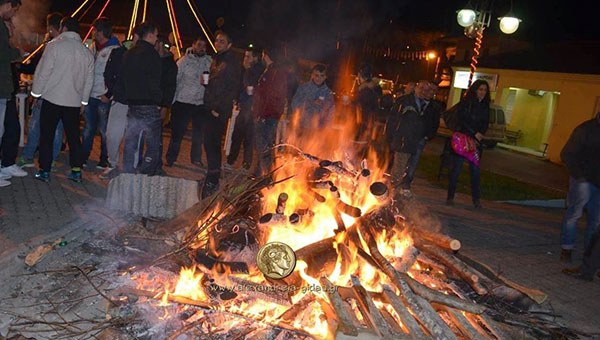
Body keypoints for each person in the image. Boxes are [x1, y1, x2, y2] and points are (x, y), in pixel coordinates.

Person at [31, 17, 95, 183]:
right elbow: (89, 81)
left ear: (63, 27)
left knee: (47, 136)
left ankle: (44, 170)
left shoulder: (54, 46)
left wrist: (36, 94)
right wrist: (84, 102)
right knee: (73, 137)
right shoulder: (86, 52)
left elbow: (43, 72)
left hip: (52, 98)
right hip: (73, 102)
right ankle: (76, 170)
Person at [17, 12, 64, 169]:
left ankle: (31, 156)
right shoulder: (58, 44)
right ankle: (48, 158)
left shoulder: (51, 46)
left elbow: (39, 70)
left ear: (50, 27)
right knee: (53, 127)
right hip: (60, 93)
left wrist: (36, 94)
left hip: (47, 93)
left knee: (38, 125)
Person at [201, 32, 242, 197]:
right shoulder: (217, 59)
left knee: (213, 143)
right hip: (211, 106)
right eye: (217, 40)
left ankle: (213, 178)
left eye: (222, 41)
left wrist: (218, 108)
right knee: (208, 142)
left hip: (218, 109)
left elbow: (231, 88)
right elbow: (216, 83)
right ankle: (212, 173)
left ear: (229, 44)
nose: (218, 43)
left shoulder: (231, 62)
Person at [121, 22, 162, 175]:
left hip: (132, 103)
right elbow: (155, 81)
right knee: (152, 143)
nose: (157, 39)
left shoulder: (129, 53)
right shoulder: (152, 54)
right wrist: (158, 100)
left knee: (131, 139)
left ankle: (127, 172)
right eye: (156, 36)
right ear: (150, 35)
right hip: (148, 103)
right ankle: (146, 174)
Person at [559, 111, 600, 263]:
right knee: (574, 215)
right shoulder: (585, 129)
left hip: (598, 184)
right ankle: (567, 248)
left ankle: (589, 257)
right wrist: (579, 176)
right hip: (582, 181)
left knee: (595, 222)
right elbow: (567, 154)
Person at [165, 36, 211, 167]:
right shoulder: (184, 61)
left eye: (204, 46)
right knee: (177, 133)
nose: (201, 48)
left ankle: (196, 158)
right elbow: (176, 80)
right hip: (183, 102)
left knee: (198, 134)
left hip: (200, 103)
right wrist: (172, 101)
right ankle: (171, 157)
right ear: (193, 45)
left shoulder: (209, 62)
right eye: (199, 45)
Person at [81, 17, 120, 169]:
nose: (93, 33)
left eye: (95, 31)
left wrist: (108, 94)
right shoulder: (92, 47)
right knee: (88, 128)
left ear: (101, 32)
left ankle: (104, 159)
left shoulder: (115, 50)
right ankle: (83, 157)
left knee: (104, 130)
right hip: (90, 94)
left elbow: (117, 75)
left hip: (103, 96)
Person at [446, 79, 490, 208]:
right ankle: (450, 197)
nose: (482, 92)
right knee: (456, 170)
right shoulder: (466, 103)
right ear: (475, 90)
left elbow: (486, 122)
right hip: (463, 141)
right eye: (480, 89)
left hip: (475, 143)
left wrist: (480, 133)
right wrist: (474, 132)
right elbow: (462, 120)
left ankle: (476, 200)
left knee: (475, 171)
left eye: (485, 90)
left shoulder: (486, 106)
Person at [99, 29, 136, 179]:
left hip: (138, 102)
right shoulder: (119, 53)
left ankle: (130, 168)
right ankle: (112, 163)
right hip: (120, 100)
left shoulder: (147, 55)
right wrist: (111, 93)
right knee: (112, 134)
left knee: (133, 136)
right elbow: (109, 73)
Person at [386, 81, 432, 195]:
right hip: (403, 140)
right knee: (398, 169)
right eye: (421, 88)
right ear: (416, 88)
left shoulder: (427, 105)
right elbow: (392, 119)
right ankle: (391, 195)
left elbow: (430, 122)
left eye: (426, 90)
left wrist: (427, 135)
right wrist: (390, 137)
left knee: (407, 170)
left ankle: (394, 193)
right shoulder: (405, 101)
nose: (423, 91)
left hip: (416, 142)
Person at [225, 46, 263, 171]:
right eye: (245, 56)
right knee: (239, 136)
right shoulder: (246, 70)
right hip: (244, 107)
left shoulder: (256, 72)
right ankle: (234, 162)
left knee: (246, 138)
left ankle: (242, 164)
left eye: (248, 56)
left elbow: (251, 89)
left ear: (256, 58)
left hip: (250, 109)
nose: (245, 59)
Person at [253, 45, 288, 180]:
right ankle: (258, 172)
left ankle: (268, 176)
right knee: (263, 146)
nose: (262, 57)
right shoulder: (270, 71)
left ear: (266, 55)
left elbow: (269, 96)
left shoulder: (274, 72)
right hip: (267, 114)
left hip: (267, 116)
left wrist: (261, 114)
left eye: (263, 54)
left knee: (264, 147)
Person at [401, 82, 442, 193]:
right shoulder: (417, 102)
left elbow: (435, 123)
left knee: (414, 162)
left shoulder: (434, 107)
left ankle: (407, 184)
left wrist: (428, 136)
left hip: (421, 138)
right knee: (403, 159)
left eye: (434, 90)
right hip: (409, 136)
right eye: (429, 89)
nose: (431, 92)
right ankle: (398, 182)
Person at [0, 0, 22, 185]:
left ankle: (6, 164)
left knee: (9, 128)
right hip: (2, 90)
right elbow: (4, 55)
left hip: (6, 91)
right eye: (14, 9)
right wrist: (17, 54)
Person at [155, 34, 177, 173]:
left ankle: (157, 164)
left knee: (157, 135)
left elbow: (170, 87)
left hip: (160, 103)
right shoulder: (152, 60)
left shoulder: (170, 64)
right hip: (150, 102)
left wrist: (164, 106)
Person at [291, 64, 335, 133]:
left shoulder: (328, 93)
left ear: (325, 77)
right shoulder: (303, 88)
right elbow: (294, 105)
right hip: (302, 127)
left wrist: (327, 129)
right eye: (316, 75)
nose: (319, 78)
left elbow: (331, 112)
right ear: (312, 75)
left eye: (322, 76)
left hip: (318, 130)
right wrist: (310, 103)